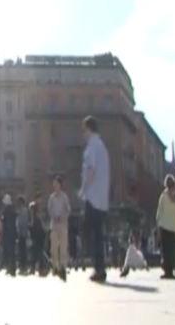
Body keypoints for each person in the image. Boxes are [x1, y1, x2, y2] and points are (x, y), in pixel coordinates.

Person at [78, 115, 110, 282]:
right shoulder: (102, 147)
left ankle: (99, 268)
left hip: (93, 197)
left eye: (84, 130)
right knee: (97, 232)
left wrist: (83, 190)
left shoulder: (92, 147)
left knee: (89, 231)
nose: (82, 133)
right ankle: (99, 266)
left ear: (89, 129)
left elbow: (91, 171)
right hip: (102, 198)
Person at [156, 174, 175, 279]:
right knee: (172, 249)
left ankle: (168, 272)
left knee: (165, 250)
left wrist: (157, 223)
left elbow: (159, 212)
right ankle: (174, 270)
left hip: (165, 226)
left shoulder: (163, 196)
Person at [47, 175, 71, 281]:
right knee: (53, 248)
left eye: (56, 184)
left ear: (60, 185)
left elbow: (68, 209)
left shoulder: (64, 197)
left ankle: (63, 267)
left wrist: (63, 216)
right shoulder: (51, 197)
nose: (55, 186)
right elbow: (49, 209)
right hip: (54, 225)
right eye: (54, 184)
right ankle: (55, 267)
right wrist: (54, 216)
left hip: (63, 225)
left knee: (63, 248)